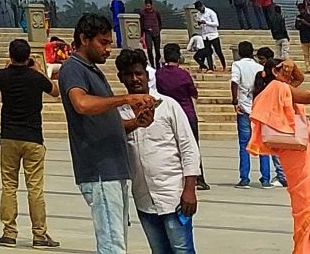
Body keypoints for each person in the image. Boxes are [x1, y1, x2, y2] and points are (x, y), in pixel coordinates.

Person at [63, 14, 158, 254]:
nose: (108, 49)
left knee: (117, 240)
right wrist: (125, 99)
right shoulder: (73, 68)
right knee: (112, 245)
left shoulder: (93, 72)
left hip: (113, 170)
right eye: (103, 43)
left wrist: (137, 122)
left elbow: (111, 123)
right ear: (84, 39)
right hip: (100, 172)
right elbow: (81, 104)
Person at [247, 49, 310, 253]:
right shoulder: (277, 88)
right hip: (302, 158)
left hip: (297, 156)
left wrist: (291, 63)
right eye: (281, 69)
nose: (287, 73)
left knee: (309, 206)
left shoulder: (278, 89)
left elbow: (299, 78)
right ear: (273, 73)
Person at [118, 49, 200, 254]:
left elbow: (189, 148)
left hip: (174, 196)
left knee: (182, 250)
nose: (135, 79)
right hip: (144, 199)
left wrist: (189, 189)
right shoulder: (119, 113)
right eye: (129, 74)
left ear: (146, 74)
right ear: (121, 78)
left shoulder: (168, 106)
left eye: (139, 73)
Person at [0, 37, 56, 248]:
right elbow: (55, 91)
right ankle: (39, 234)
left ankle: (9, 232)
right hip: (33, 138)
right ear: (28, 56)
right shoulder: (36, 78)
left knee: (9, 185)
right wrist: (38, 70)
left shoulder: (3, 76)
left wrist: (6, 67)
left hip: (9, 137)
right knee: (35, 188)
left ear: (10, 55)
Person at [153, 44, 206, 191]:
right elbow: (193, 92)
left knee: (170, 146)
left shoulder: (159, 74)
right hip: (186, 113)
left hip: (167, 114)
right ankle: (198, 178)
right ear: (178, 57)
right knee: (192, 146)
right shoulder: (183, 74)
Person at [229, 43, 280, 188]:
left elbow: (234, 82)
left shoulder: (237, 65)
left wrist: (234, 100)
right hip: (259, 108)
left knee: (244, 144)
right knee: (263, 144)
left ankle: (244, 178)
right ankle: (265, 179)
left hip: (244, 107)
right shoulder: (259, 67)